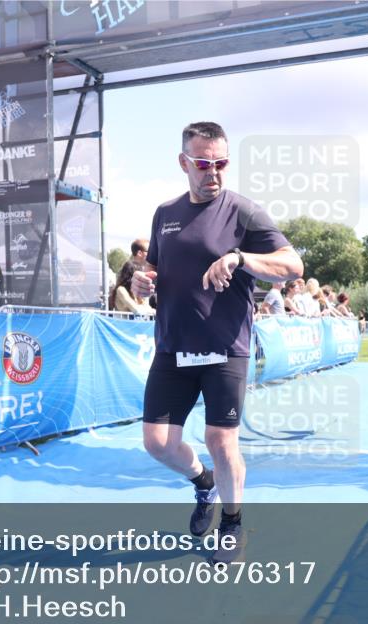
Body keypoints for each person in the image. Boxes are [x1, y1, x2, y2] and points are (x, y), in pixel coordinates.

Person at [130, 122, 303, 565]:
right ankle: (202, 482)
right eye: (204, 163)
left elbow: (292, 265)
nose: (214, 172)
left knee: (221, 440)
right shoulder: (164, 213)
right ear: (184, 162)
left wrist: (240, 257)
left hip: (225, 347)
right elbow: (154, 271)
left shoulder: (244, 212)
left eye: (221, 163)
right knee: (156, 443)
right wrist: (144, 283)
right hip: (173, 346)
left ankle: (232, 522)